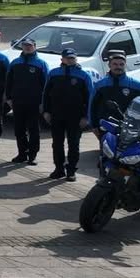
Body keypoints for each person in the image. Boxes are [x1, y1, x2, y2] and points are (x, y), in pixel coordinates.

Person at [43, 48, 92, 181]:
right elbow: (46, 94)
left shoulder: (83, 75)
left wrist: (86, 117)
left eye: (72, 58)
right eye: (68, 58)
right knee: (57, 143)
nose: (70, 60)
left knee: (73, 144)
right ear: (62, 59)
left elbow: (90, 98)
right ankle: (59, 169)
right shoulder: (53, 73)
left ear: (76, 59)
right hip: (57, 115)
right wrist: (46, 111)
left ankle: (71, 170)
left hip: (75, 117)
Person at [5, 36, 48, 165]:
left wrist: (43, 103)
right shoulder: (15, 63)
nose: (27, 47)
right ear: (22, 47)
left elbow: (46, 86)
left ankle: (32, 155)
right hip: (18, 101)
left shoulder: (41, 64)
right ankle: (22, 153)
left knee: (33, 129)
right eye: (25, 45)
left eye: (30, 45)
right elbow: (9, 82)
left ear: (34, 47)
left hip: (34, 103)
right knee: (19, 129)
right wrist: (8, 98)